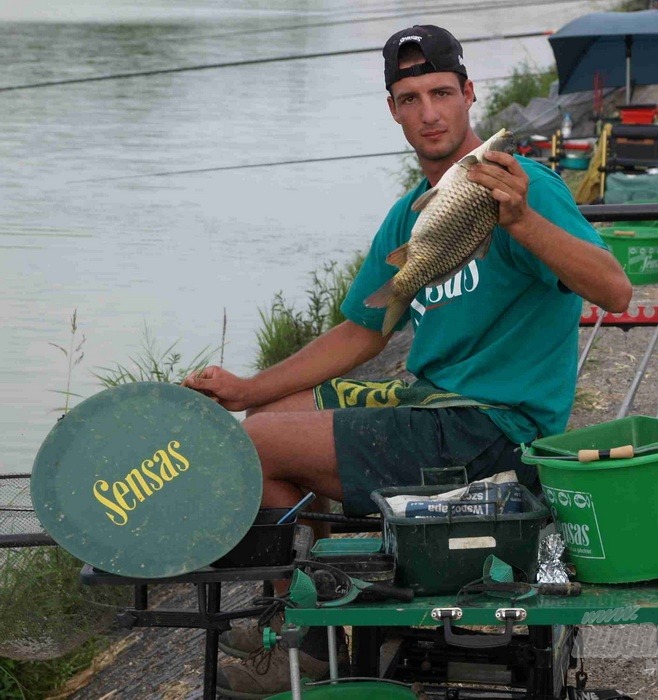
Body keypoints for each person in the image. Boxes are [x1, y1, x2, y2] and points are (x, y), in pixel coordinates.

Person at [183, 24, 632, 699]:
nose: (429, 112)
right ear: (393, 108)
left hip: (499, 434)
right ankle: (313, 619)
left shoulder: (521, 185)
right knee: (267, 417)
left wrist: (523, 224)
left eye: (442, 93)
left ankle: (310, 644)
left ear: (469, 94)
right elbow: (362, 331)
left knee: (259, 446)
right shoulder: (410, 216)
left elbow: (615, 292)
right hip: (431, 406)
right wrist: (248, 388)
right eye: (411, 97)